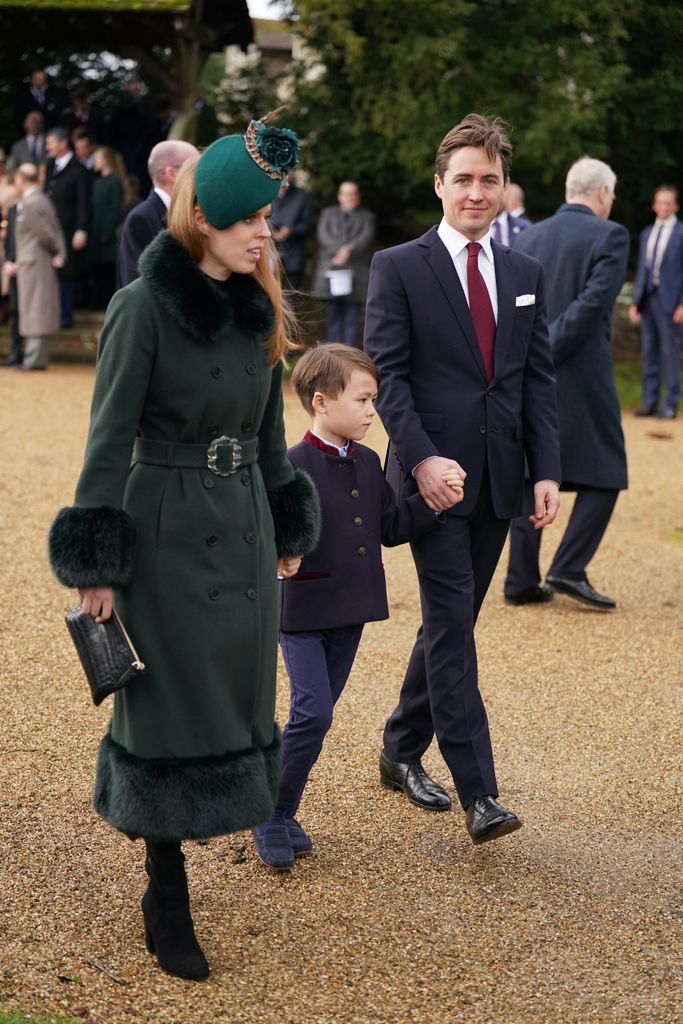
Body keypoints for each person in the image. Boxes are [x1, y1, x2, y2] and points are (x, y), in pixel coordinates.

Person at [47, 114, 320, 980]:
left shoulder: (256, 308)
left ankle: (206, 843)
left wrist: (284, 523)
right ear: (204, 220)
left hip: (239, 530)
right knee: (164, 704)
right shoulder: (140, 306)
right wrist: (98, 564)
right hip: (162, 527)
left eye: (268, 221)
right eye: (250, 221)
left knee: (234, 695)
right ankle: (165, 891)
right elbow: (106, 439)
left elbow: (270, 433)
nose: (264, 234)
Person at [364, 113, 561, 846]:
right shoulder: (397, 265)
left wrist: (547, 472)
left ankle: (397, 748)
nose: (476, 192)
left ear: (504, 188)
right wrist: (420, 461)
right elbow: (388, 380)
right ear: (438, 185)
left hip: (500, 481)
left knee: (452, 624)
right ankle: (481, 792)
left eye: (489, 179)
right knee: (452, 627)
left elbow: (535, 381)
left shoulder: (524, 273)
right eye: (463, 180)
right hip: (431, 483)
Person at [252, 344, 464, 869]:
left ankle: (280, 809)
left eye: (375, 400)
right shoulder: (288, 465)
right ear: (321, 402)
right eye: (363, 399)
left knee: (316, 718)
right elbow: (260, 532)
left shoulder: (369, 462)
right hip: (301, 611)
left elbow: (390, 527)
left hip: (350, 612)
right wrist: (279, 550)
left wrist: (435, 500)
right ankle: (272, 814)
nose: (373, 411)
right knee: (313, 712)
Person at [505, 157, 629, 611]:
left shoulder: (529, 236)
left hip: (527, 371)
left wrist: (526, 356)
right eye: (612, 196)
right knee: (606, 471)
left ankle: (520, 581)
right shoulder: (611, 235)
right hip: (582, 371)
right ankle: (568, 568)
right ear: (601, 193)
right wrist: (547, 350)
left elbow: (513, 308)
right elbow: (593, 303)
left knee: (527, 472)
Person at [3, 163, 65, 371]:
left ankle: (35, 357)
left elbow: (47, 233)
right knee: (33, 308)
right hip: (32, 262)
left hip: (35, 263)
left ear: (22, 179)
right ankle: (33, 356)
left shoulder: (33, 202)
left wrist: (58, 251)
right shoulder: (34, 200)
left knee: (37, 308)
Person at [629, 185, 683, 420]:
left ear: (675, 206)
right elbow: (642, 268)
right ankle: (650, 402)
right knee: (648, 352)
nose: (663, 206)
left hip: (670, 301)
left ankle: (670, 403)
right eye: (659, 202)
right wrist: (634, 301)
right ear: (654, 205)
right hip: (647, 300)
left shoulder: (682, 233)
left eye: (668, 203)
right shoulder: (647, 233)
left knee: (669, 352)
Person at [116, 140, 198, 288]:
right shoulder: (140, 218)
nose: (200, 177)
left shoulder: (193, 214)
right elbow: (134, 285)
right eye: (193, 170)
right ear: (172, 174)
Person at [311, 181, 376, 347]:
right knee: (332, 315)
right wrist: (338, 251)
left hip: (356, 272)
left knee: (352, 317)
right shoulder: (328, 214)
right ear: (339, 196)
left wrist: (349, 249)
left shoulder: (367, 217)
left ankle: (350, 355)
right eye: (346, 193)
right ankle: (333, 355)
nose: (350, 197)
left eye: (353, 193)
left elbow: (366, 237)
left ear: (358, 197)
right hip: (331, 269)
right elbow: (323, 235)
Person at [44, 125, 90, 328]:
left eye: (50, 143)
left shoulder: (78, 168)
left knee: (67, 273)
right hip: (49, 229)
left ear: (63, 143)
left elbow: (84, 202)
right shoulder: (49, 165)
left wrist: (81, 229)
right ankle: (52, 314)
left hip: (69, 228)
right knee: (51, 271)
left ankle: (65, 317)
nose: (48, 147)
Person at [86, 147, 125, 309]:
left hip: (106, 236)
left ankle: (106, 304)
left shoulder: (114, 182)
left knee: (107, 270)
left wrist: (106, 232)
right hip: (95, 232)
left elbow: (115, 209)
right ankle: (96, 302)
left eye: (97, 158)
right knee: (96, 270)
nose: (94, 162)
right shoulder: (97, 182)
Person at [270, 172, 312, 291]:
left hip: (293, 257)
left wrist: (290, 231)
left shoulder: (302, 195)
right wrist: (271, 232)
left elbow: (307, 224)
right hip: (269, 255)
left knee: (292, 299)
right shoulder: (267, 194)